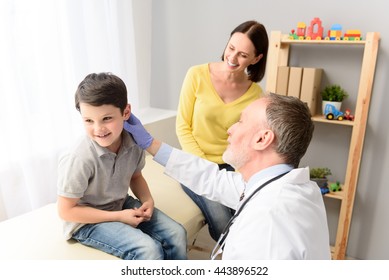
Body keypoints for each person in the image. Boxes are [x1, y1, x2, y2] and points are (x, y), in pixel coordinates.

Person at [125, 92, 331, 260]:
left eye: (241, 121)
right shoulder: (277, 186)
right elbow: (213, 179)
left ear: (262, 139)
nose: (230, 129)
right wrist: (151, 144)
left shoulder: (269, 220)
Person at [57, 72, 187, 260]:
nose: (98, 129)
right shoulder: (79, 157)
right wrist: (118, 217)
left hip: (118, 203)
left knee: (177, 234)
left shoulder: (134, 141)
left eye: (107, 118)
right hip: (85, 222)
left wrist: (147, 200)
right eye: (88, 121)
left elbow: (135, 177)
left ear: (126, 112)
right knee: (148, 250)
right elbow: (66, 210)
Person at [176, 20, 269, 241]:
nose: (233, 58)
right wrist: (205, 167)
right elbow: (182, 127)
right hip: (195, 163)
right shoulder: (196, 75)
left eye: (243, 55)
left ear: (256, 59)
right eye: (231, 48)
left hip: (233, 166)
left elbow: (248, 140)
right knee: (221, 220)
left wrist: (239, 175)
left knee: (248, 214)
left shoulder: (256, 94)